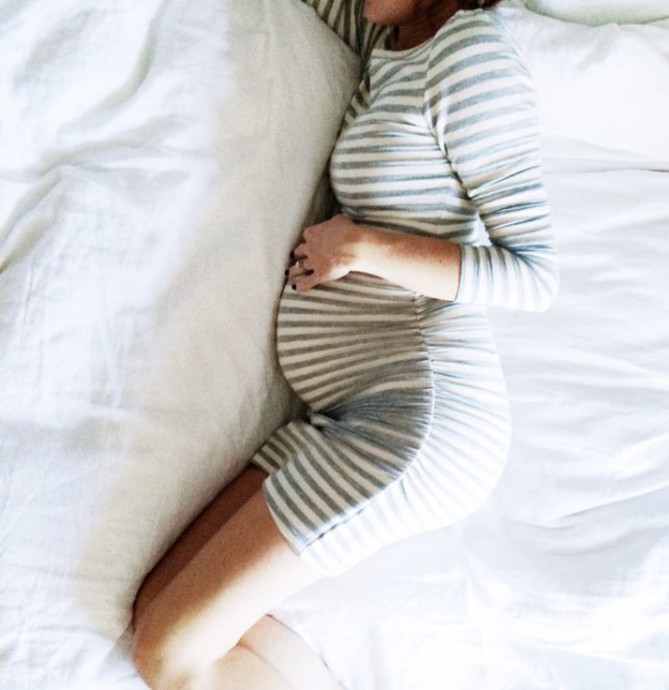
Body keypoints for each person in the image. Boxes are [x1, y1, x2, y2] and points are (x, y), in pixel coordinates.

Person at [130, 0, 559, 687]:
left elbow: (533, 276)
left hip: (414, 426)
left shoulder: (471, 57)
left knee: (168, 652)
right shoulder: (391, 35)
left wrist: (362, 246)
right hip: (344, 417)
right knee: (156, 615)